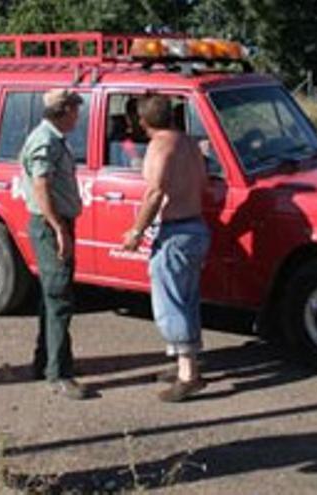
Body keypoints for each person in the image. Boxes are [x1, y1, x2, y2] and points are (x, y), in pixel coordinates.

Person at [122, 94, 210, 403]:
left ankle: (189, 375)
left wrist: (136, 231)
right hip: (196, 227)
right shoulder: (189, 143)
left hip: (175, 232)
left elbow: (155, 193)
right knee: (187, 299)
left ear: (143, 122)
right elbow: (201, 181)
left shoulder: (159, 147)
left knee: (170, 303)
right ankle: (185, 364)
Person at [20, 88, 92, 400]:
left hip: (54, 223)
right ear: (63, 111)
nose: (78, 115)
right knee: (59, 297)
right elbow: (41, 186)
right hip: (51, 225)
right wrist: (59, 228)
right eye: (75, 109)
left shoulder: (52, 138)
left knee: (51, 296)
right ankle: (59, 374)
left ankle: (45, 361)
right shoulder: (45, 141)